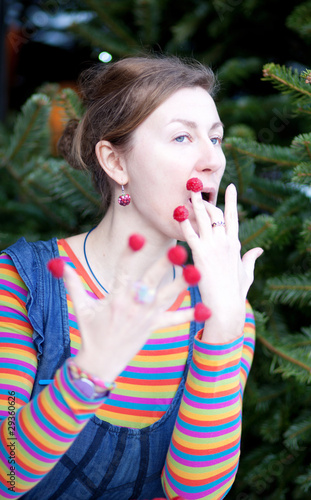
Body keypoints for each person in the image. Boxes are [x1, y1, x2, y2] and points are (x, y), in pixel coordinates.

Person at [0, 55, 262, 500]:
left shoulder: (228, 306)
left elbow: (193, 495)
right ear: (115, 163)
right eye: (182, 137)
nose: (212, 160)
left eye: (215, 139)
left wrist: (222, 330)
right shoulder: (21, 284)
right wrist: (88, 373)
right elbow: (5, 479)